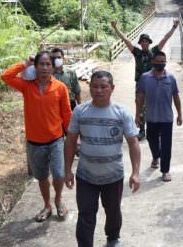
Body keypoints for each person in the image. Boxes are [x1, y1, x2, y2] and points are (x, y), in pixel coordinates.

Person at [64, 71, 141, 247]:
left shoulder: (121, 113)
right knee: (86, 214)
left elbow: (133, 143)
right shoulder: (80, 111)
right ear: (89, 87)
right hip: (86, 176)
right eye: (94, 86)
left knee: (113, 211)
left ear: (112, 88)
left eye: (103, 86)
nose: (98, 90)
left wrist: (136, 172)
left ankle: (113, 238)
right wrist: (67, 170)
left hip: (113, 176)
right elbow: (70, 142)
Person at [1, 51, 72, 222]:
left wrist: (72, 138)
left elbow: (67, 113)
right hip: (34, 142)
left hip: (55, 139)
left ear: (52, 67)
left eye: (48, 64)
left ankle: (58, 200)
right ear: (36, 66)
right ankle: (47, 205)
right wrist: (24, 63)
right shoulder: (27, 86)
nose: (45, 68)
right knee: (41, 177)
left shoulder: (60, 87)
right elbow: (6, 76)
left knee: (59, 174)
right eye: (41, 64)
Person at [111, 19, 179, 140]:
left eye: (146, 41)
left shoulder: (154, 51)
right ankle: (141, 130)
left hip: (154, 83)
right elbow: (126, 40)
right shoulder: (137, 53)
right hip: (141, 84)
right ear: (140, 43)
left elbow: (165, 38)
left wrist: (174, 27)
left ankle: (155, 129)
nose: (144, 43)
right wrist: (116, 28)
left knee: (155, 105)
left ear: (149, 43)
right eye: (142, 42)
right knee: (140, 105)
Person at [136, 51, 182, 182]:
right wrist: (137, 114)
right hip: (151, 117)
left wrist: (180, 114)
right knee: (152, 140)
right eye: (158, 61)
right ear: (153, 62)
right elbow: (140, 97)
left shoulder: (171, 78)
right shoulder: (145, 78)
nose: (161, 64)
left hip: (167, 118)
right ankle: (156, 156)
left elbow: (176, 96)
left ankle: (165, 171)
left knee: (167, 145)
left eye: (163, 62)